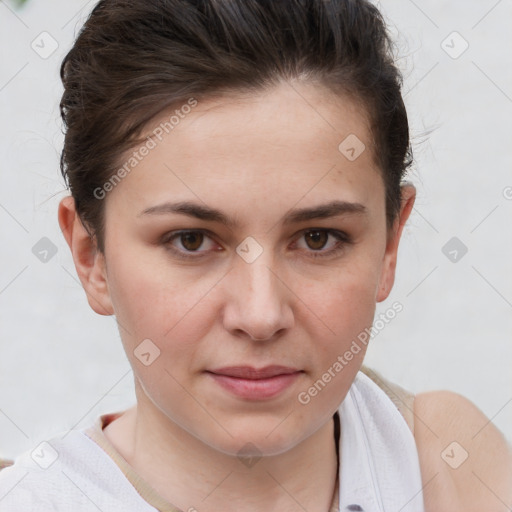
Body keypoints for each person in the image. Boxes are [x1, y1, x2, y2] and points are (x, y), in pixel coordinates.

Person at [0, 0, 511, 510]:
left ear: (389, 244)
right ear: (93, 258)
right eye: (192, 241)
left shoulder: (445, 463)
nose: (261, 315)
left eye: (318, 238)